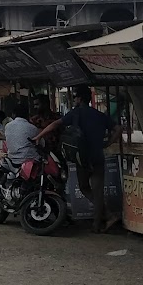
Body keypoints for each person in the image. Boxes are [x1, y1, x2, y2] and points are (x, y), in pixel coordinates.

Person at [36, 85, 118, 233]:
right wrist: (109, 142)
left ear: (79, 98)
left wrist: (39, 136)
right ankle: (99, 222)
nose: (73, 100)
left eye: (74, 97)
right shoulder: (99, 115)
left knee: (84, 187)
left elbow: (55, 124)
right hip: (98, 156)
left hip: (83, 158)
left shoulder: (75, 114)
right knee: (98, 191)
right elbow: (118, 128)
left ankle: (106, 217)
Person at [3, 98, 40, 166]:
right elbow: (41, 143)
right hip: (29, 160)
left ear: (14, 114)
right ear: (28, 115)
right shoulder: (32, 128)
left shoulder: (7, 126)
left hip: (12, 160)